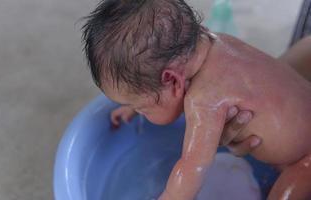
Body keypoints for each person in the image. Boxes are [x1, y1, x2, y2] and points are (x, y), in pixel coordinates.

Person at [82, 0, 311, 199]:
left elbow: (192, 168)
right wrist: (135, 105)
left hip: (305, 160)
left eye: (141, 108)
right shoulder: (218, 42)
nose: (140, 111)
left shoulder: (204, 100)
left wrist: (169, 197)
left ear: (172, 80)